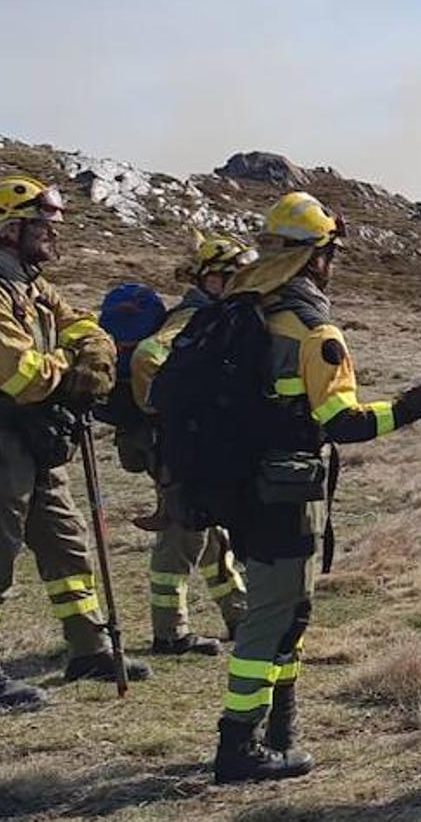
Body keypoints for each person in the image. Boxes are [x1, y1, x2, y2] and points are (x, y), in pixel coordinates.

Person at [212, 192, 421, 783]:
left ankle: (280, 730)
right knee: (274, 614)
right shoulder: (311, 328)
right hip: (285, 490)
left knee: (284, 610)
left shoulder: (241, 309)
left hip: (239, 486)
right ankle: (238, 747)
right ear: (316, 257)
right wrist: (418, 403)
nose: (333, 264)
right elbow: (342, 423)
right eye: (331, 254)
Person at [0, 175, 150, 711]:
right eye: (44, 225)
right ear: (11, 229)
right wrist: (73, 366)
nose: (53, 237)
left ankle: (88, 648)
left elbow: (84, 325)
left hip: (35, 439)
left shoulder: (32, 286)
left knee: (66, 541)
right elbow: (20, 376)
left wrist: (95, 351)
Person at [124, 234, 252, 656]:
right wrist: (167, 414)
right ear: (211, 279)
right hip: (177, 450)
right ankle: (170, 633)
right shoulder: (191, 318)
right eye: (234, 277)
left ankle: (239, 615)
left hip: (193, 448)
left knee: (212, 536)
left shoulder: (215, 318)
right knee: (182, 537)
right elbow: (146, 357)